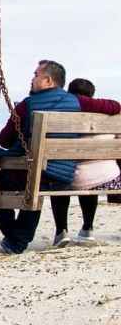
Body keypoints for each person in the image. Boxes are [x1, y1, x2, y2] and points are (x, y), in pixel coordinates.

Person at [0, 60, 121, 255]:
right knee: (36, 186)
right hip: (63, 178)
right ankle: (16, 239)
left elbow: (5, 140)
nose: (32, 79)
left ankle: (17, 238)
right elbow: (115, 106)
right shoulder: (78, 102)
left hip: (35, 175)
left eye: (35, 75)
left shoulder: (27, 105)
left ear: (48, 80)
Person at [50, 78, 121, 247]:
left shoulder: (61, 116)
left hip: (69, 177)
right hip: (106, 178)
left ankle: (61, 231)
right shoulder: (109, 115)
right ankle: (87, 229)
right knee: (92, 178)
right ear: (92, 94)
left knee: (59, 182)